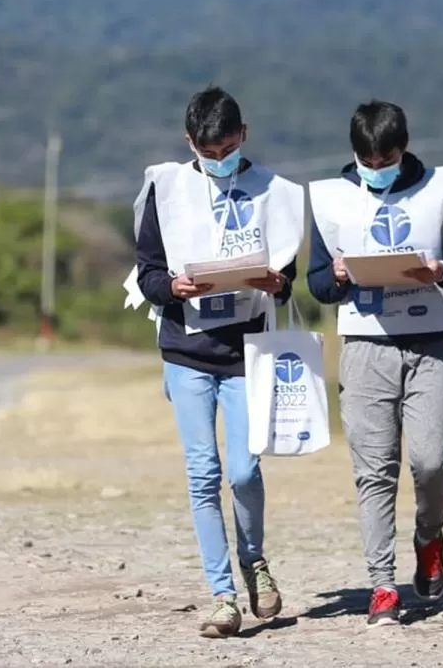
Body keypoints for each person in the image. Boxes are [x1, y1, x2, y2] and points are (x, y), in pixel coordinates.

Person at [131, 85, 302, 639]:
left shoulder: (274, 191)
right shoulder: (167, 189)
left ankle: (255, 560)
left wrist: (279, 282)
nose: (218, 158)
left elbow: (290, 272)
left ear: (243, 135)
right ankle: (221, 594)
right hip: (187, 351)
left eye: (227, 147)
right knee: (202, 472)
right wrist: (173, 287)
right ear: (190, 143)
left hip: (247, 351)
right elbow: (149, 271)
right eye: (207, 151)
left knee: (246, 469)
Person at [306, 100, 443, 627]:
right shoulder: (332, 198)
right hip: (365, 346)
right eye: (366, 161)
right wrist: (338, 273)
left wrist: (441, 268)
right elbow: (317, 283)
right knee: (374, 471)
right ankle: (382, 585)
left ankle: (429, 536)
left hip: (431, 342)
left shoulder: (442, 191)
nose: (375, 169)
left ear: (402, 149)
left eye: (385, 161)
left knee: (432, 461)